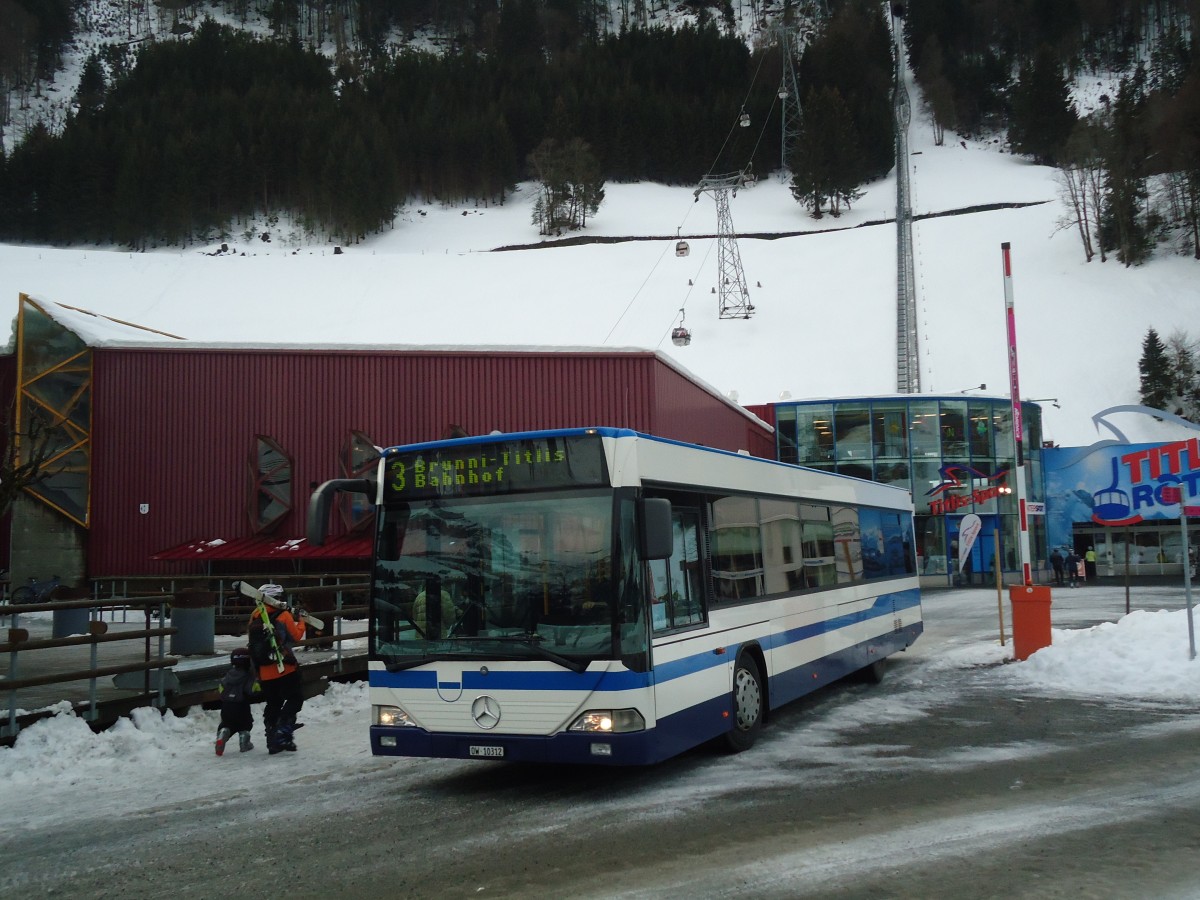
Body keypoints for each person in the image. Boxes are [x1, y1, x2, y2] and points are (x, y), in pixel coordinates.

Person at [248, 583, 307, 754]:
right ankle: (283, 729)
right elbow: (295, 637)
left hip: (264, 669)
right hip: (284, 666)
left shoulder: (255, 614)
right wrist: (301, 622)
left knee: (273, 703)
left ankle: (272, 739)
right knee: (295, 698)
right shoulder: (283, 615)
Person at [215, 646, 258, 756]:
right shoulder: (248, 676)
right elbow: (251, 690)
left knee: (227, 723)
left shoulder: (228, 675)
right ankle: (244, 742)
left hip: (226, 706)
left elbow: (221, 689)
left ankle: (223, 733)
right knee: (245, 724)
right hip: (241, 705)